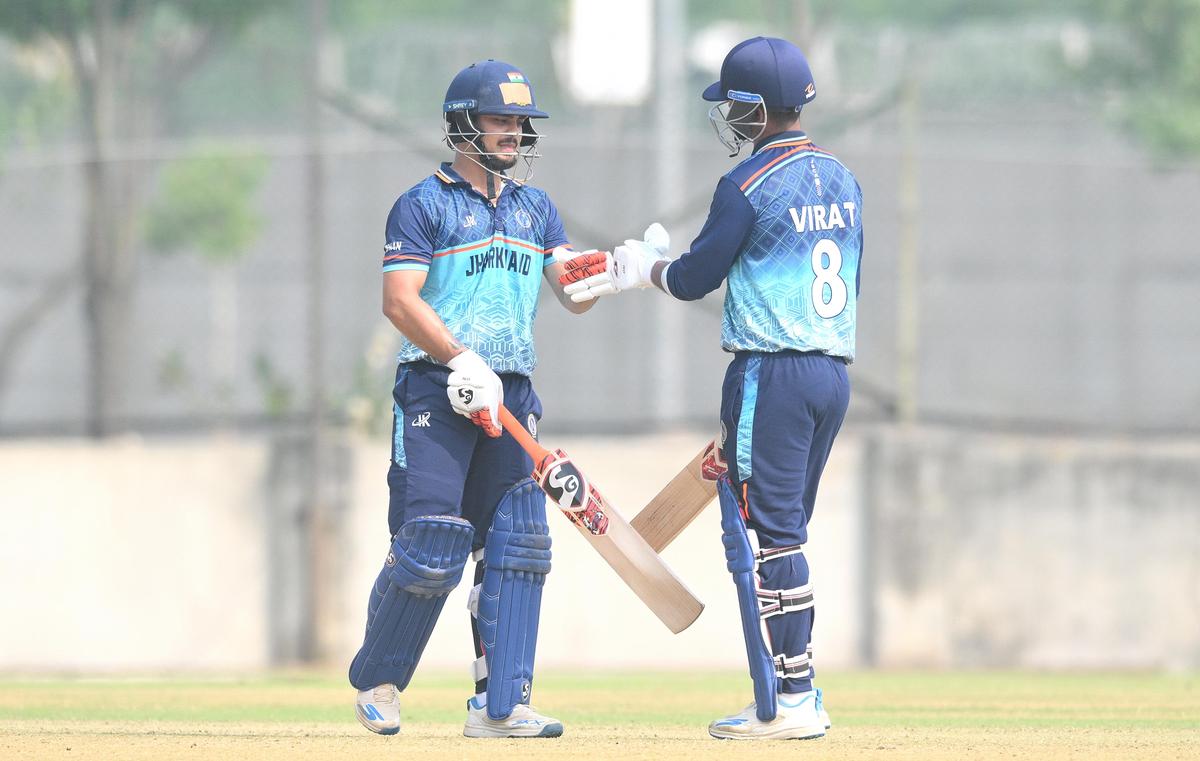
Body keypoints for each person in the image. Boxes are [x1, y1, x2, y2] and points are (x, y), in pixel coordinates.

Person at [561, 36, 863, 740]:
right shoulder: (844, 178)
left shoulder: (748, 184)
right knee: (783, 529)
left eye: (733, 105)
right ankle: (797, 692)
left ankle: (795, 698)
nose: (728, 116)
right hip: (832, 371)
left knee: (777, 536)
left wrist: (646, 267)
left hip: (772, 371)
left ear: (756, 109)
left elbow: (697, 276)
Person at [348, 59, 596, 739]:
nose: (514, 131)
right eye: (500, 118)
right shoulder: (423, 204)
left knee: (516, 545)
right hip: (437, 385)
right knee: (431, 542)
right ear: (462, 124)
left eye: (521, 121)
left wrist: (618, 268)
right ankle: (378, 680)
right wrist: (458, 358)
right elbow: (398, 302)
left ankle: (500, 706)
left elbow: (571, 292)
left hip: (511, 390)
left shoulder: (535, 208)